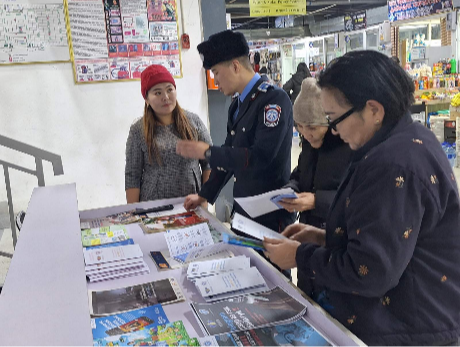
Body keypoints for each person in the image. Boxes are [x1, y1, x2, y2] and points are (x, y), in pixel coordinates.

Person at [264, 51, 460, 346]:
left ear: (373, 110)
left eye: (334, 118)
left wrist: (298, 256)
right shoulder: (403, 138)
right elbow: (385, 238)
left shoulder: (393, 165)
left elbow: (369, 272)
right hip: (411, 316)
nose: (334, 130)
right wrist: (321, 237)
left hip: (407, 328)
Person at [176, 30, 294, 233]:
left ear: (235, 66)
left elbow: (260, 157)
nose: (215, 80)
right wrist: (204, 195)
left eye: (216, 73)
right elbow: (229, 156)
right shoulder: (237, 105)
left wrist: (207, 151)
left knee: (269, 266)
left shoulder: (273, 100)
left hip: (270, 218)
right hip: (244, 213)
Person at [277, 77, 352, 294]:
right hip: (307, 235)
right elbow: (300, 174)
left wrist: (316, 201)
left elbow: (355, 199)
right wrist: (291, 189)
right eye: (300, 127)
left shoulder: (349, 147)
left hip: (336, 240)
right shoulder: (309, 146)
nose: (306, 134)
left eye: (312, 127)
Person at [125, 64, 212, 203]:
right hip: (154, 207)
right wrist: (133, 214)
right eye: (157, 92)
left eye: (169, 89)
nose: (165, 97)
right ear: (147, 99)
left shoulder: (193, 121)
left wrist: (204, 198)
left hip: (192, 202)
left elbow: (210, 163)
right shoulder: (138, 130)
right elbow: (132, 176)